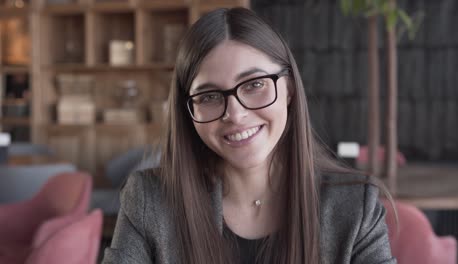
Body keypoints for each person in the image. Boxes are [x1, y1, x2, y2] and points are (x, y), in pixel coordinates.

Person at [102, 7, 396, 264]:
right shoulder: (148, 199)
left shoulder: (356, 204)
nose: (235, 114)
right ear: (187, 110)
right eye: (209, 96)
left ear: (290, 89)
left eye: (254, 84)